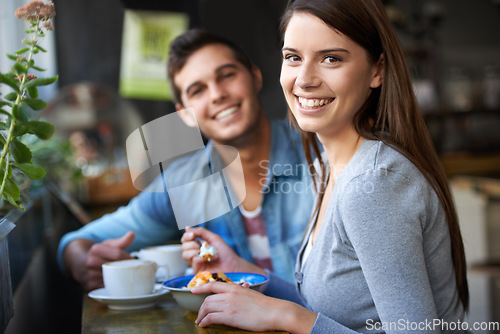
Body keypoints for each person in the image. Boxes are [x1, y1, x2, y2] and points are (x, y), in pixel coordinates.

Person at [186, 1, 469, 333]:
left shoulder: (373, 184)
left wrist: (287, 317)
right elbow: (333, 308)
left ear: (377, 70)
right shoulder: (327, 164)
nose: (304, 80)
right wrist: (243, 270)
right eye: (293, 58)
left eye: (331, 59)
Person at [57, 29, 315, 292]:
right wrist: (82, 262)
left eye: (227, 75)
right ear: (185, 114)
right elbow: (78, 242)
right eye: (197, 90)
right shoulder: (184, 183)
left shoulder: (321, 156)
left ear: (255, 77)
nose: (217, 95)